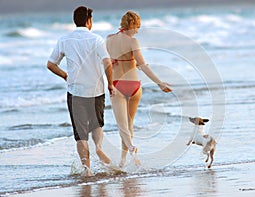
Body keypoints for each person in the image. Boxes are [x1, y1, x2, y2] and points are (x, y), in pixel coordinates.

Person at [47, 6, 115, 176]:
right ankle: (98, 148)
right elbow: (107, 63)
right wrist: (110, 84)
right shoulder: (96, 39)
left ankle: (87, 169)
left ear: (75, 20)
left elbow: (50, 64)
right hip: (96, 90)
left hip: (75, 91)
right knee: (97, 124)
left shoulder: (64, 39)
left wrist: (65, 76)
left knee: (80, 133)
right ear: (89, 21)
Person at [106, 11, 172, 167]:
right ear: (131, 25)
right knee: (129, 124)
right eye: (137, 27)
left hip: (116, 84)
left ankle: (129, 150)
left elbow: (105, 62)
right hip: (134, 85)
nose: (137, 31)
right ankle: (125, 158)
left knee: (122, 125)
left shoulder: (109, 40)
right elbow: (143, 65)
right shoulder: (133, 42)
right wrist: (159, 83)